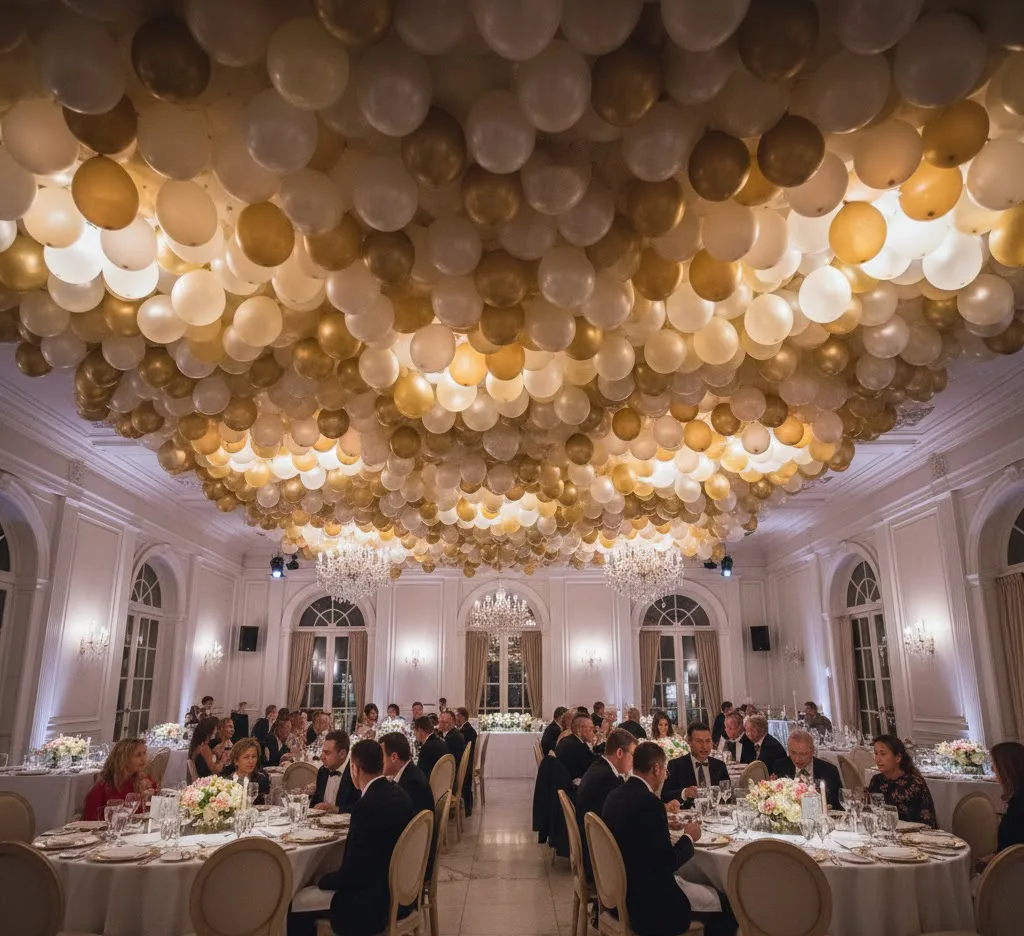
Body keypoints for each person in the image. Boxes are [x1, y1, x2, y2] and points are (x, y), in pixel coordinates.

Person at [287, 739, 418, 936]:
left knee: (294, 902)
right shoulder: (400, 793)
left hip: (371, 905)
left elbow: (352, 874)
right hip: (402, 894)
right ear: (381, 764)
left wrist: (319, 880)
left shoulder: (366, 806)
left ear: (354, 768)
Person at [603, 742, 735, 936]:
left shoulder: (615, 795)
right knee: (727, 903)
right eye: (665, 769)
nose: (665, 775)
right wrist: (689, 837)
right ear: (656, 769)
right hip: (651, 905)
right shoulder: (650, 804)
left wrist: (663, 824)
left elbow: (635, 833)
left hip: (619, 894)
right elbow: (667, 863)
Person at [576, 728, 636, 880]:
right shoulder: (606, 779)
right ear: (620, 753)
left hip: (592, 849)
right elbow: (623, 818)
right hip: (599, 861)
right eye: (632, 755)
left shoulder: (601, 768)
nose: (634, 761)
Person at [382, 730, 436, 876]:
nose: (378, 762)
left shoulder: (413, 782)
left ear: (394, 757)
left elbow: (406, 828)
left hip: (413, 862)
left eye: (382, 757)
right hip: (412, 851)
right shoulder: (408, 774)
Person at [867, 735, 937, 828]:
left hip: (913, 836)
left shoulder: (914, 784)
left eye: (883, 754)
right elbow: (870, 813)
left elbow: (927, 822)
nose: (877, 759)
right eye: (876, 753)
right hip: (883, 834)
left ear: (898, 758)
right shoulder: (876, 780)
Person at [83, 738, 157, 821]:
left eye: (144, 753)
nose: (144, 759)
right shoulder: (102, 788)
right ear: (124, 759)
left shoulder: (145, 781)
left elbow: (156, 812)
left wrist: (147, 797)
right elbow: (89, 821)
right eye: (138, 755)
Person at [771, 728, 842, 810]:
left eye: (803, 754)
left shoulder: (829, 770)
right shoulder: (780, 766)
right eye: (793, 753)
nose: (797, 759)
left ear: (812, 751)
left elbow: (838, 805)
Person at [662, 722, 730, 806]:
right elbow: (665, 796)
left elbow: (727, 796)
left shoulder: (720, 766)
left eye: (708, 741)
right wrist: (685, 793)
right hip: (688, 816)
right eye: (699, 741)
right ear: (689, 742)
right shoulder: (676, 765)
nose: (705, 746)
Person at [985, 741, 1024, 864]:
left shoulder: (1019, 803)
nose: (993, 770)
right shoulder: (1018, 797)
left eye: (994, 765)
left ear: (1006, 768)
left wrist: (994, 861)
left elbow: (1016, 848)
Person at [311, 730, 359, 814]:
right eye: (322, 752)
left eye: (327, 753)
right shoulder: (323, 771)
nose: (322, 757)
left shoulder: (355, 772)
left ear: (342, 754)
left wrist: (338, 810)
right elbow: (314, 802)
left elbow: (361, 809)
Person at [221, 738, 270, 804]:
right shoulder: (227, 783)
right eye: (246, 757)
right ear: (236, 761)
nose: (251, 761)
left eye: (254, 756)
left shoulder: (262, 780)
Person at [556, 713, 599, 782]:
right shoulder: (575, 746)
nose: (593, 733)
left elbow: (590, 758)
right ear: (581, 729)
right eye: (591, 729)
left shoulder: (572, 740)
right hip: (570, 786)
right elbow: (591, 766)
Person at [455, 706, 477, 816]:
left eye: (457, 716)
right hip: (468, 762)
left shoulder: (467, 731)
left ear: (462, 717)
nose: (455, 718)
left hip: (467, 765)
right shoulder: (465, 729)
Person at [439, 709, 467, 793]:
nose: (441, 725)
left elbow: (448, 759)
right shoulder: (453, 733)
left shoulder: (453, 738)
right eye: (440, 722)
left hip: (450, 777)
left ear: (452, 723)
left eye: (445, 722)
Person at [414, 714, 447, 783]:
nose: (414, 734)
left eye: (415, 731)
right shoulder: (441, 742)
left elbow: (421, 775)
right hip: (444, 784)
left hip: (432, 787)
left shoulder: (427, 748)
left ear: (420, 731)